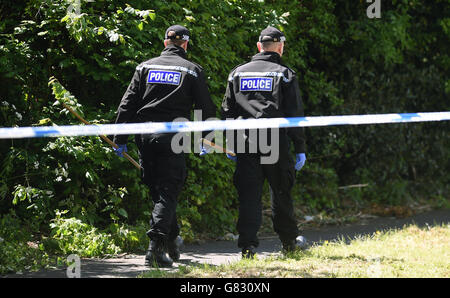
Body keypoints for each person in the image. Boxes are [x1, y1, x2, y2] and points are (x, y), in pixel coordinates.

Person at [112, 25, 216, 267]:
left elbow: (127, 103)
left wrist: (120, 138)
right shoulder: (192, 70)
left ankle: (171, 240)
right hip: (173, 136)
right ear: (186, 44)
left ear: (165, 42)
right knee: (168, 190)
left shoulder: (145, 66)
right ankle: (155, 249)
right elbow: (205, 108)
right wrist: (208, 138)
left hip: (144, 136)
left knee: (159, 191)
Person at [221, 26, 308, 259]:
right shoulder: (285, 73)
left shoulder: (236, 73)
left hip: (245, 139)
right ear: (280, 47)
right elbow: (294, 114)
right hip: (274, 139)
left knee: (249, 195)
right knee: (280, 192)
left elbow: (228, 111)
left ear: (259, 47)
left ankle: (247, 247)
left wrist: (231, 142)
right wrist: (300, 147)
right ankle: (289, 242)